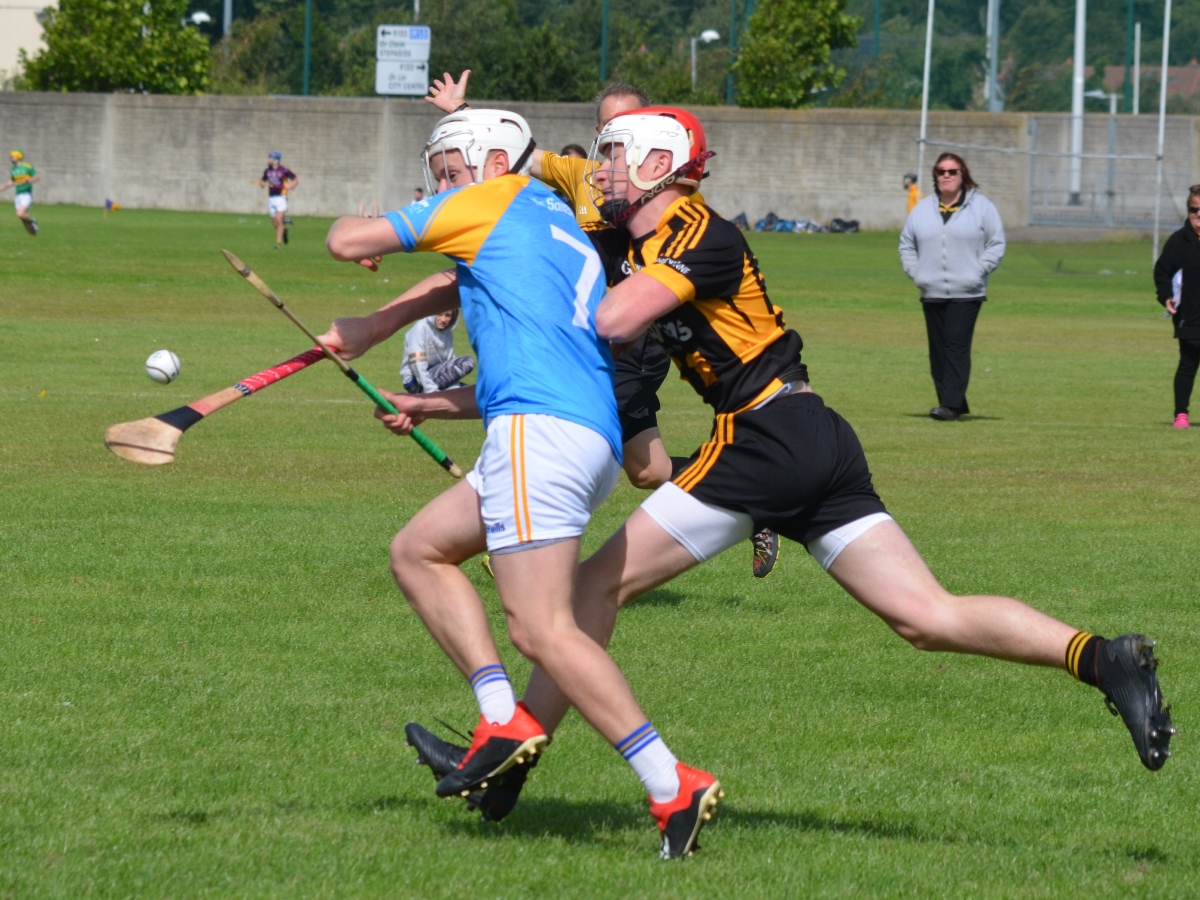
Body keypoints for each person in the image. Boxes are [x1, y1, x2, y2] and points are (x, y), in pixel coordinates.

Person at [405, 107, 1174, 827]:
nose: (599, 171)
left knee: (588, 591)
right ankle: (1103, 658)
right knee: (925, 617)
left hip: (762, 434)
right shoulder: (632, 244)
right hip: (812, 433)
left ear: (656, 164)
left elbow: (608, 320)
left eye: (611, 156)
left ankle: (509, 761)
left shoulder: (702, 232)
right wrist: (409, 334)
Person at [318, 109, 722, 860]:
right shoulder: (551, 217)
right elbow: (519, 357)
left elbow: (345, 240)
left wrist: (377, 256)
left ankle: (672, 783)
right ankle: (501, 722)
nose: (441, 188)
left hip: (539, 439)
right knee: (419, 551)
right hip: (574, 437)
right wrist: (415, 387)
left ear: (495, 157)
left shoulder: (491, 197)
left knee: (541, 629)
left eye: (448, 172)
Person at [426, 71, 780, 578]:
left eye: (627, 126)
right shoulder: (581, 176)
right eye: (607, 130)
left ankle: (521, 540)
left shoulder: (671, 203)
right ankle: (752, 504)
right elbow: (510, 159)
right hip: (595, 329)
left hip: (628, 336)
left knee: (561, 419)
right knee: (646, 469)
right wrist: (460, 116)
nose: (615, 144)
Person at [899, 153, 1005, 421]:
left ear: (963, 175)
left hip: (967, 292)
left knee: (956, 346)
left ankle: (949, 406)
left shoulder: (982, 207)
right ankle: (952, 402)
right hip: (931, 290)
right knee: (938, 349)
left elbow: (996, 242)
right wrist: (917, 272)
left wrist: (978, 271)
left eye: (952, 171)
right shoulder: (922, 209)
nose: (946, 176)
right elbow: (907, 244)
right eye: (941, 171)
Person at [1152, 186, 1200, 429]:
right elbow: (1162, 272)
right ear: (1188, 210)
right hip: (1188, 316)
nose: (1199, 214)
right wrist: (1166, 297)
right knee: (1188, 363)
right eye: (1194, 209)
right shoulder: (1179, 241)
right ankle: (1181, 414)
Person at [400, 309, 475, 394]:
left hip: (435, 377)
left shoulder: (448, 334)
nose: (443, 319)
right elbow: (417, 365)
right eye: (439, 314)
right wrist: (431, 391)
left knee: (473, 393)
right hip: (415, 381)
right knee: (467, 362)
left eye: (448, 315)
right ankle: (424, 395)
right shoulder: (420, 328)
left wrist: (454, 389)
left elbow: (449, 364)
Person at [253, 151, 298, 250]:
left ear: (276, 160)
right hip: (271, 198)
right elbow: (263, 181)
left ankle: (278, 244)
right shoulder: (267, 171)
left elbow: (295, 179)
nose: (268, 160)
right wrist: (262, 184)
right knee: (275, 224)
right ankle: (284, 231)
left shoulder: (284, 170)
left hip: (281, 197)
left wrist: (290, 186)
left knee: (279, 220)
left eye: (270, 158)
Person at [2, 150, 39, 236]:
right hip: (18, 195)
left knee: (20, 214)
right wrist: (2, 187)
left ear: (18, 157)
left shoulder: (27, 167)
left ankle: (33, 221)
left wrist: (28, 180)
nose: (11, 158)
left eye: (12, 156)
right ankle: (32, 234)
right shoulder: (13, 169)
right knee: (22, 219)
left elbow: (37, 177)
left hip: (26, 194)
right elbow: (12, 181)